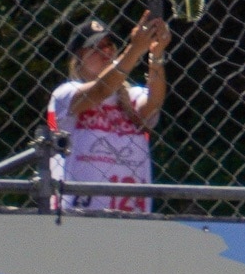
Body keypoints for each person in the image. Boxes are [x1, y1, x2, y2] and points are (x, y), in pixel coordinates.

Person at [48, 12, 165, 218]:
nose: (105, 52)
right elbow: (101, 90)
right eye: (95, 48)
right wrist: (135, 48)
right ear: (78, 59)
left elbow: (153, 102)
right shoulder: (66, 94)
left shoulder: (130, 96)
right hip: (77, 216)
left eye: (109, 45)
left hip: (131, 218)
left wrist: (156, 54)